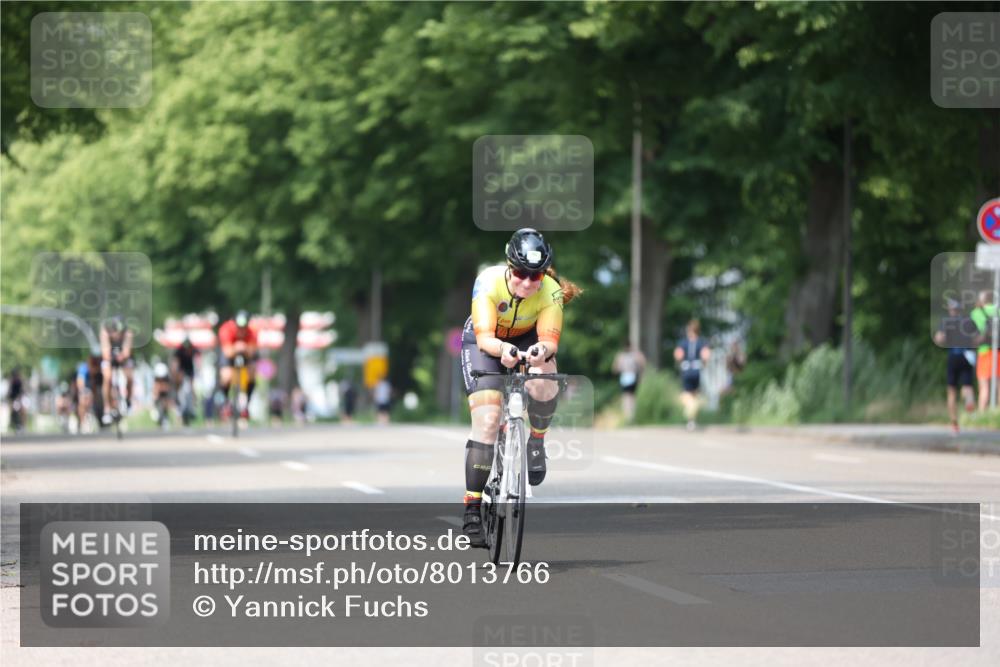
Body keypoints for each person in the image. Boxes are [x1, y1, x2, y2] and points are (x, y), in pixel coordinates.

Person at [459, 228, 582, 546]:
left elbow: (549, 341)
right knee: (487, 421)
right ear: (508, 266)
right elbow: (486, 339)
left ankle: (536, 441)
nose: (527, 283)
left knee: (544, 378)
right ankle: (472, 507)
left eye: (535, 276)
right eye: (520, 274)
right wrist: (505, 352)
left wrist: (541, 352)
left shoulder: (551, 292)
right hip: (485, 342)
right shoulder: (488, 281)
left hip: (528, 337)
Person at [933, 298, 977, 433]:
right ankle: (969, 402)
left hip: (954, 356)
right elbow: (977, 339)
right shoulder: (968, 321)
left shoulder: (946, 322)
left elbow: (939, 338)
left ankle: (954, 423)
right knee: (967, 386)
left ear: (951, 309)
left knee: (951, 391)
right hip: (967, 356)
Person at [217, 310, 258, 420]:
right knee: (226, 376)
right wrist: (236, 347)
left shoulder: (252, 332)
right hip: (230, 354)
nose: (241, 330)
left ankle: (246, 404)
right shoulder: (226, 329)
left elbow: (252, 352)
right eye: (239, 327)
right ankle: (224, 403)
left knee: (252, 372)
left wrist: (244, 348)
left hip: (246, 355)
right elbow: (227, 352)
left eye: (243, 327)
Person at [674, 319, 711, 431]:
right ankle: (692, 420)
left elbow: (678, 355)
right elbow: (706, 355)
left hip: (686, 370)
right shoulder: (701, 342)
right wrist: (703, 364)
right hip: (696, 370)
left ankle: (690, 415)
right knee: (694, 394)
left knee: (686, 394)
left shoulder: (683, 342)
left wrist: (681, 364)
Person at [100, 315, 134, 425]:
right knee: (107, 377)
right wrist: (111, 357)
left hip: (123, 357)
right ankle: (107, 408)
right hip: (109, 357)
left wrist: (122, 356)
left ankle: (128, 401)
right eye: (115, 331)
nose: (117, 335)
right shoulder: (105, 332)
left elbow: (127, 352)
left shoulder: (128, 333)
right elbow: (105, 353)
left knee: (129, 377)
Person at [971, 290, 999, 412]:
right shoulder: (997, 310)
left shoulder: (976, 312)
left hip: (984, 351)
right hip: (997, 351)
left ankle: (982, 412)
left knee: (984, 385)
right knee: (998, 383)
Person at [612, 343, 646, 422]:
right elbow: (643, 362)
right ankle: (631, 416)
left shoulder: (621, 356)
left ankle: (628, 416)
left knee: (626, 397)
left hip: (625, 377)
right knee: (632, 397)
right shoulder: (635, 355)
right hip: (631, 376)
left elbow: (615, 368)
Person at [171, 337, 198, 424]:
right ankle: (178, 406)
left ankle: (193, 406)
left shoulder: (193, 350)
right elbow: (175, 364)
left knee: (192, 387)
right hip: (181, 371)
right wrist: (176, 374)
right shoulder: (179, 352)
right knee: (179, 386)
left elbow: (198, 359)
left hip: (190, 371)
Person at [6, 368, 26, 433]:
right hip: (14, 399)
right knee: (15, 412)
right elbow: (10, 391)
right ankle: (17, 425)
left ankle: (21, 426)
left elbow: (21, 390)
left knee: (21, 412)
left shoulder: (18, 381)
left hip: (18, 398)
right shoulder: (12, 381)